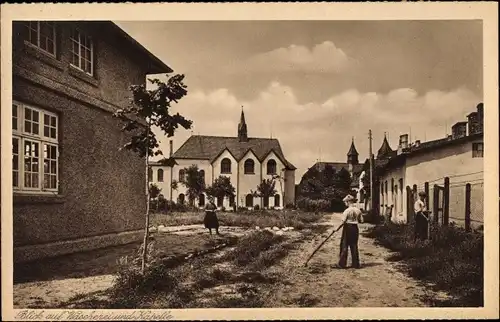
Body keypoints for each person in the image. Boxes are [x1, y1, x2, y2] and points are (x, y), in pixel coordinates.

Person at [333, 194, 364, 269]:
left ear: (348, 202)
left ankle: (342, 264)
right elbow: (362, 221)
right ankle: (355, 264)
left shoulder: (346, 211)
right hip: (355, 228)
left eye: (345, 202)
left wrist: (336, 229)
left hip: (347, 228)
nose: (345, 203)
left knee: (344, 245)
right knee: (354, 245)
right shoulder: (358, 210)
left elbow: (343, 222)